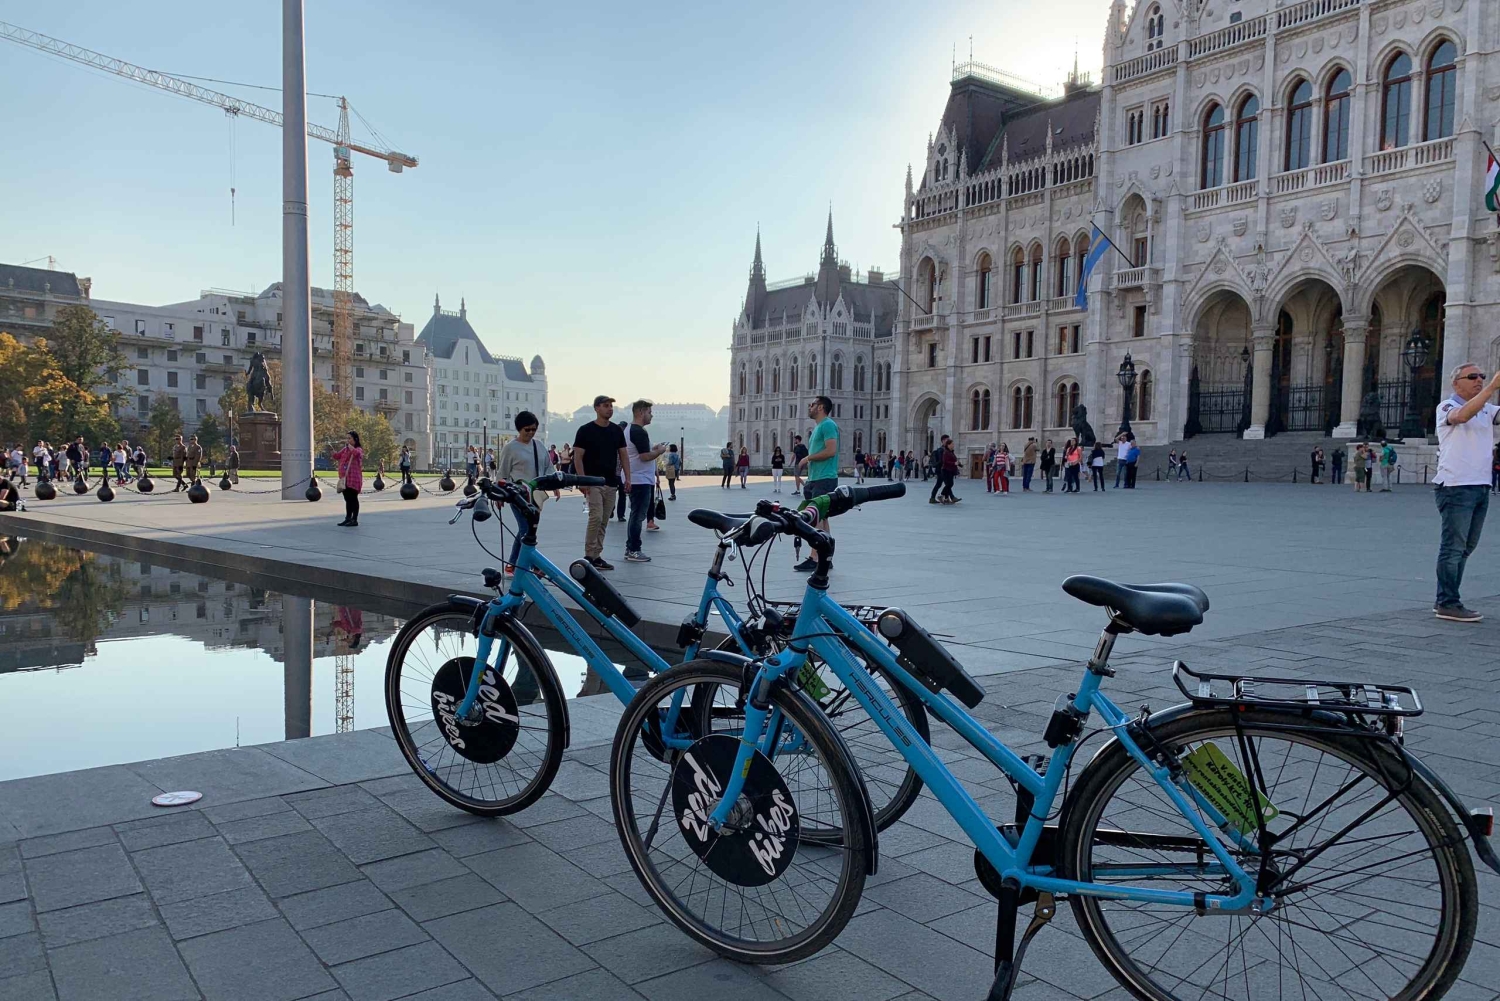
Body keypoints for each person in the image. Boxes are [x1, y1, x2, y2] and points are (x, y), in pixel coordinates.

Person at [1431, 363, 1500, 622]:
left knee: (1466, 547)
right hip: (1456, 486)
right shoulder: (1446, 407)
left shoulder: (1487, 410)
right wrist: (1493, 387)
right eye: (1472, 377)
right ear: (1456, 383)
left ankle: (1449, 598)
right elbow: (1461, 417)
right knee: (1453, 547)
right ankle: (1447, 601)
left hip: (1480, 486)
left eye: (1482, 377)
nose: (1479, 380)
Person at [573, 395, 630, 571]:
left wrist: (628, 478)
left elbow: (623, 455)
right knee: (595, 517)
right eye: (606, 406)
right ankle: (589, 555)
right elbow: (578, 456)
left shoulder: (616, 431)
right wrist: (582, 480)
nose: (610, 409)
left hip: (611, 482)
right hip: (592, 481)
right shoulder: (585, 430)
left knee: (604, 520)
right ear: (597, 408)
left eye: (611, 406)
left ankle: (597, 555)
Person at [796, 395, 840, 571]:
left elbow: (831, 451)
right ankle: (826, 556)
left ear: (820, 407)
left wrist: (807, 458)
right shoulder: (819, 427)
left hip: (824, 479)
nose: (810, 407)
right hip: (816, 479)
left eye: (812, 404)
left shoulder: (828, 425)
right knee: (822, 518)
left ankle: (815, 558)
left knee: (816, 519)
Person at [622, 401, 668, 562]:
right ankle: (634, 549)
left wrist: (653, 448)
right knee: (638, 515)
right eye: (649, 411)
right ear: (641, 412)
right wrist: (659, 452)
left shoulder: (630, 430)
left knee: (635, 514)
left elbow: (640, 452)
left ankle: (631, 548)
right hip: (639, 479)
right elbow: (644, 456)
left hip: (636, 477)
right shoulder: (638, 431)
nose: (652, 415)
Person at [332, 430, 364, 527]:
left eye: (349, 438)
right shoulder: (345, 450)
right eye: (347, 438)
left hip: (353, 479)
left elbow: (357, 454)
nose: (348, 440)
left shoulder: (358, 449)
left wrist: (350, 446)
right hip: (345, 479)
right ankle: (348, 518)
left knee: (353, 499)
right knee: (347, 499)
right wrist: (333, 452)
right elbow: (337, 456)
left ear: (355, 439)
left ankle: (354, 519)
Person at [928, 435, 950, 503]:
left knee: (941, 484)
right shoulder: (941, 450)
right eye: (947, 440)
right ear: (943, 441)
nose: (948, 441)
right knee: (947, 484)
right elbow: (941, 460)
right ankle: (946, 498)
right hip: (941, 470)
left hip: (943, 469)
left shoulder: (945, 449)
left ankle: (933, 498)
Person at [938, 437, 960, 503]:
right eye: (952, 444)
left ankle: (945, 497)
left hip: (951, 470)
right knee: (949, 484)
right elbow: (945, 461)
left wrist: (959, 464)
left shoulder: (951, 452)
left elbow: (954, 459)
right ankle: (941, 495)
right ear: (948, 445)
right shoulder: (946, 452)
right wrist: (954, 463)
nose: (953, 445)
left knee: (949, 484)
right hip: (946, 470)